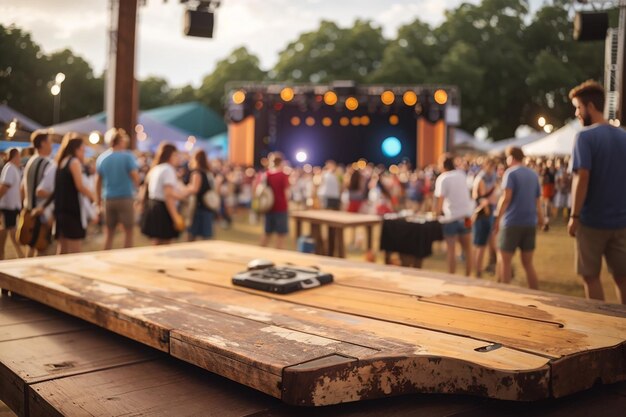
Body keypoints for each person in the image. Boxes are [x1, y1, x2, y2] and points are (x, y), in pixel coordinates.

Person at [568, 80, 626, 304]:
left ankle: (600, 330)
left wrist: (574, 216)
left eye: (578, 107)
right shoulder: (623, 136)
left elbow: (582, 177)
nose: (577, 113)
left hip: (591, 222)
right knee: (622, 279)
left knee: (590, 277)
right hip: (621, 222)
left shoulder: (584, 137)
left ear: (590, 106)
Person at [493, 146, 543, 289]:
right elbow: (538, 200)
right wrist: (541, 219)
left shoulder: (510, 173)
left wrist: (497, 218)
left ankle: (506, 295)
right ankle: (536, 293)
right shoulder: (533, 174)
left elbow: (506, 198)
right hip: (529, 223)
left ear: (512, 157)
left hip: (512, 222)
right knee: (528, 264)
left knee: (505, 261)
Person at [52, 133, 97, 254]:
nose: (84, 154)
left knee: (62, 248)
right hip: (71, 211)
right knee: (75, 252)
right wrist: (94, 197)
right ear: (76, 149)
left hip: (61, 209)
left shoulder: (62, 161)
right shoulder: (74, 162)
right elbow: (80, 186)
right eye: (83, 150)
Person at [95, 128, 139, 250]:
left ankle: (106, 258)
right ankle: (127, 257)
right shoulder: (128, 157)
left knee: (109, 233)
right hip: (125, 198)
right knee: (129, 232)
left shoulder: (102, 158)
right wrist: (138, 193)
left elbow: (98, 182)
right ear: (120, 141)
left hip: (108, 199)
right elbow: (135, 177)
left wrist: (98, 200)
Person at [140, 142, 187, 245]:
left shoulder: (156, 168)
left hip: (153, 206)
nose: (177, 158)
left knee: (157, 241)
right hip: (163, 208)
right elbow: (168, 195)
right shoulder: (168, 169)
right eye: (175, 154)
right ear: (170, 155)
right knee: (165, 242)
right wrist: (175, 216)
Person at [434, 153, 474, 276]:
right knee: (468, 249)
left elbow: (440, 201)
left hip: (451, 217)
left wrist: (436, 214)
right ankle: (468, 275)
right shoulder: (461, 174)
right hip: (466, 216)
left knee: (451, 250)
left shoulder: (443, 178)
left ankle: (452, 277)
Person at [21, 130, 56, 257]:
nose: (51, 145)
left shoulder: (30, 162)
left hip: (29, 209)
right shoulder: (48, 164)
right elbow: (42, 191)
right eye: (50, 142)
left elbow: (23, 188)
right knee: (41, 248)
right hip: (42, 212)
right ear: (43, 144)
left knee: (30, 245)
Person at [471, 158, 498, 277]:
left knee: (491, 242)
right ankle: (478, 271)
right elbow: (481, 199)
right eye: (490, 165)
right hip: (483, 214)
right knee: (481, 245)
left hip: (490, 212)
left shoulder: (491, 177)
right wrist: (487, 210)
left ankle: (490, 266)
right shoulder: (481, 178)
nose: (491, 168)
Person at [260, 152, 290, 249]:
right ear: (281, 162)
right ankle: (279, 258)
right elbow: (287, 193)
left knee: (267, 233)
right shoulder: (283, 175)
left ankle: (260, 254)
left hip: (268, 206)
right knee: (280, 236)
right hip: (281, 207)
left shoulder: (266, 174)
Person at [0, 148, 25, 259]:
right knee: (10, 233)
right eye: (19, 156)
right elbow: (5, 187)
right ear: (15, 156)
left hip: (11, 206)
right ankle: (21, 256)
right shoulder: (10, 168)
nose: (20, 158)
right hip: (8, 206)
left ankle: (18, 255)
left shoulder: (12, 168)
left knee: (8, 233)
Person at [186, 149, 216, 241]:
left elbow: (195, 189)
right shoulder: (208, 173)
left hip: (198, 207)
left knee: (192, 235)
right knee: (206, 236)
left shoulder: (197, 173)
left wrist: (185, 189)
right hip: (207, 207)